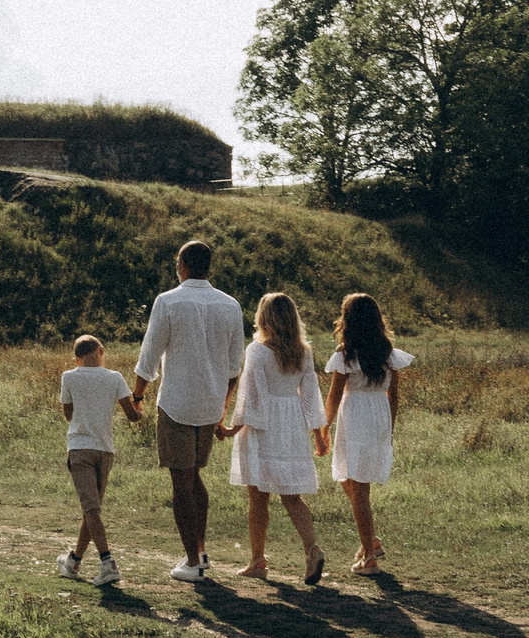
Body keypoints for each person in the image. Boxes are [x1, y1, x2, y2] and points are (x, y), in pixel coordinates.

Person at [131, 239, 245, 582]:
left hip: (177, 402)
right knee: (194, 475)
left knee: (181, 482)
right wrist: (222, 408)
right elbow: (234, 366)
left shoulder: (168, 301)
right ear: (208, 267)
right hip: (210, 404)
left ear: (181, 266)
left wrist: (137, 396)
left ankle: (193, 561)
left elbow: (149, 356)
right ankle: (199, 548)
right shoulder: (230, 305)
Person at [225, 291, 329, 583]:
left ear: (263, 318)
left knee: (258, 497)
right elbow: (310, 395)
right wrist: (318, 433)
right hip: (292, 424)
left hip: (265, 427)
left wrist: (233, 427)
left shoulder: (257, 351)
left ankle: (258, 560)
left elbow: (251, 396)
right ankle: (312, 549)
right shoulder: (303, 351)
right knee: (292, 495)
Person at [324, 291, 413, 575]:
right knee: (351, 480)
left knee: (358, 486)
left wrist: (323, 427)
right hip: (378, 414)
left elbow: (334, 395)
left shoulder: (347, 353)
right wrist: (389, 426)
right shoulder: (386, 351)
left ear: (347, 319)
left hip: (356, 415)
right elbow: (394, 395)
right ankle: (370, 538)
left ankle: (370, 557)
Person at [55, 333, 139, 585]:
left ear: (76, 359)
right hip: (105, 450)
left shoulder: (69, 376)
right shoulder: (114, 378)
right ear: (101, 351)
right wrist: (141, 406)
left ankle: (108, 563)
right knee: (92, 511)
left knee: (91, 510)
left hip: (80, 447)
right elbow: (133, 416)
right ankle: (73, 560)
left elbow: (68, 414)